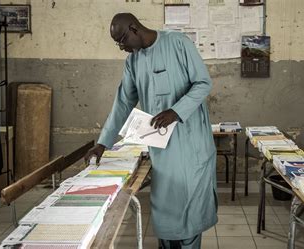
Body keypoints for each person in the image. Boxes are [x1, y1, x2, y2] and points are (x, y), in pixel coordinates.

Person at [84, 13, 218, 249]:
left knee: (189, 210)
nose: (122, 47)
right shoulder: (133, 62)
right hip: (163, 149)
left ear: (134, 29)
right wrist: (103, 143)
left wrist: (175, 111)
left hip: (192, 144)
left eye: (122, 40)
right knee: (166, 212)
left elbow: (203, 83)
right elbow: (123, 102)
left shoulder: (178, 43)